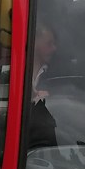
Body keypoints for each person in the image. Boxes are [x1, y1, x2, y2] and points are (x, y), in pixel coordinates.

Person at [27, 21, 58, 149]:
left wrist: (48, 98)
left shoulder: (56, 75)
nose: (54, 48)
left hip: (45, 144)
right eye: (49, 44)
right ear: (35, 43)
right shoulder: (14, 69)